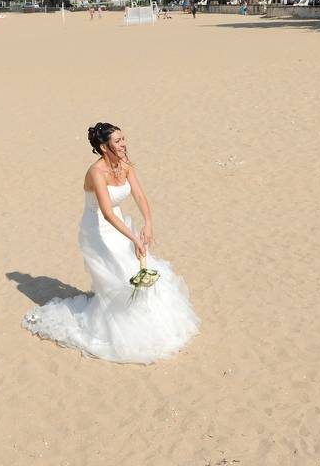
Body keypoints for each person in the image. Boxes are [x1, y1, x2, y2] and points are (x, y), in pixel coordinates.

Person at [22, 122, 200, 364]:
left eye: (123, 139)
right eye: (117, 141)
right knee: (121, 276)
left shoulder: (125, 165)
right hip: (98, 229)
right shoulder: (96, 172)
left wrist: (147, 223)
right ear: (104, 147)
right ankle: (122, 330)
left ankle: (150, 325)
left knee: (137, 269)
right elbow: (106, 212)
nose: (124, 144)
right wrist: (135, 238)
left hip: (121, 225)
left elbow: (139, 195)